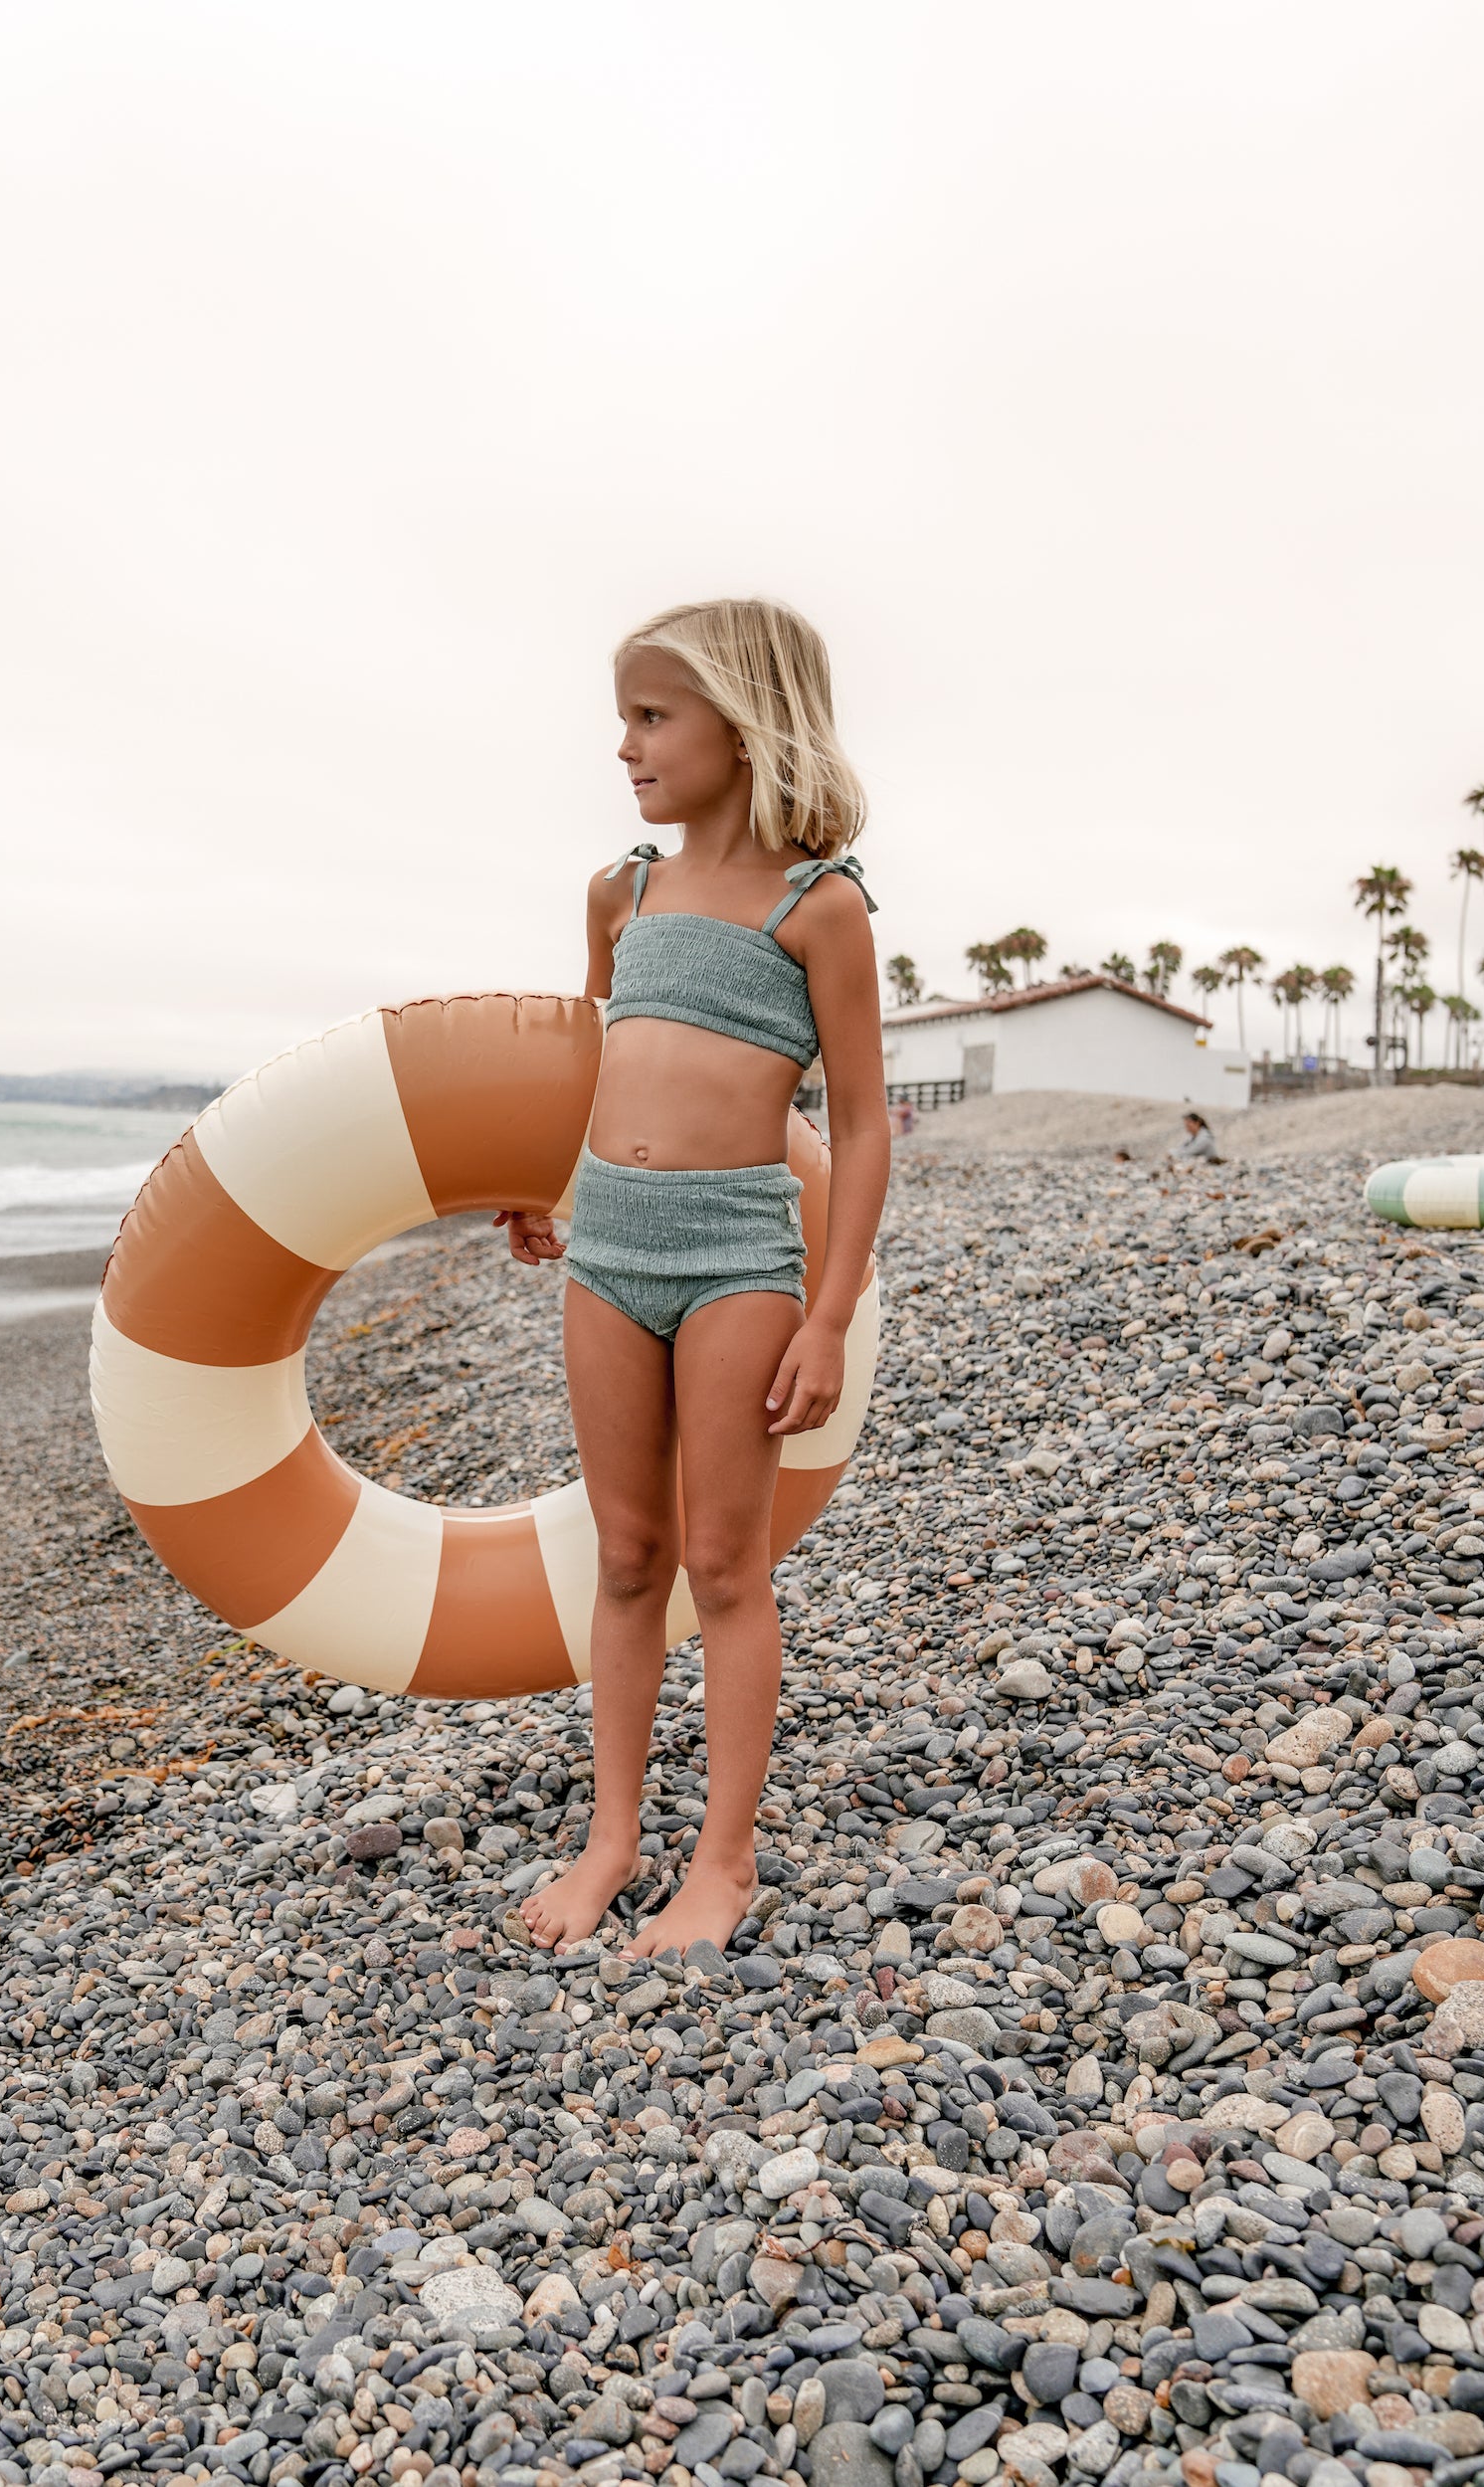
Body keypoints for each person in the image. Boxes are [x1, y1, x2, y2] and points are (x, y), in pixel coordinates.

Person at [496, 599, 888, 1957]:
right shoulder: (623, 891)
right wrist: (552, 1182)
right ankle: (611, 1839)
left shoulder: (818, 906)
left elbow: (868, 1119)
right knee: (623, 1554)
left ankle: (721, 1862)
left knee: (723, 1562)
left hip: (737, 1256)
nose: (626, 747)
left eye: (653, 717)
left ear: (745, 722)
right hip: (609, 1252)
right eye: (625, 718)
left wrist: (829, 1315)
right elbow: (603, 1057)